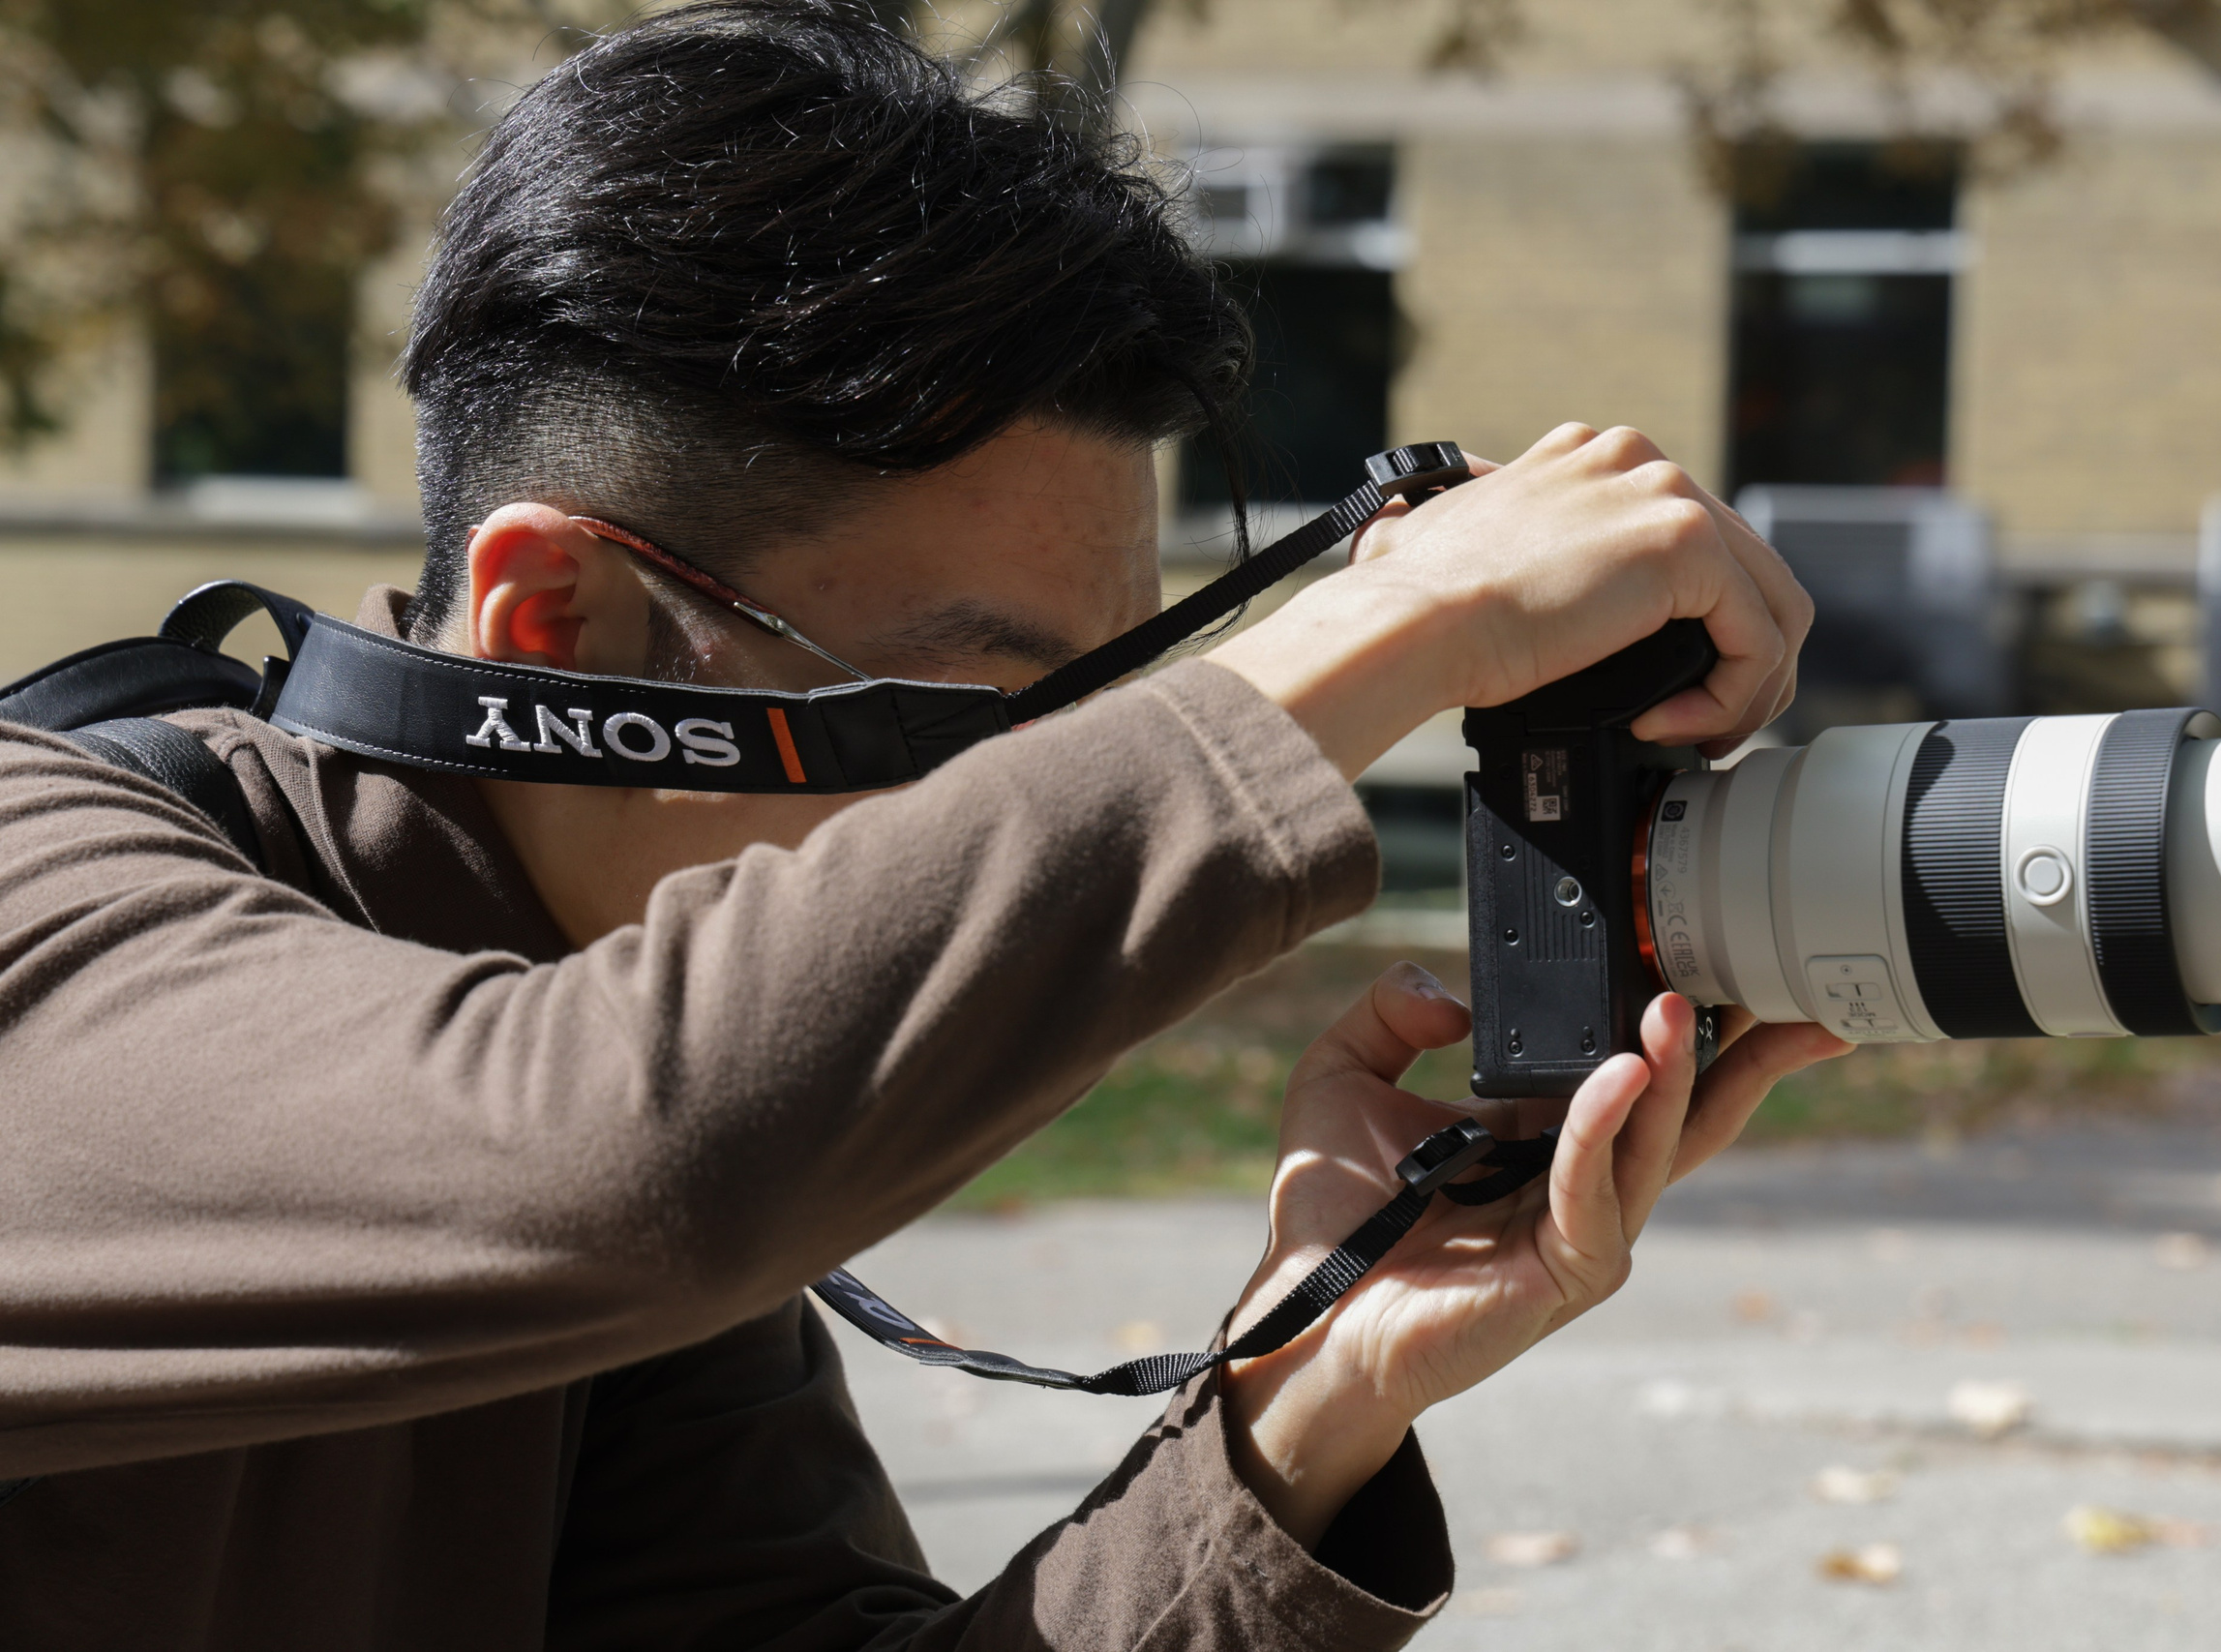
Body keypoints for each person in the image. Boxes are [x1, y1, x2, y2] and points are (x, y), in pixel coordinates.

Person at [0, 3, 1841, 1645]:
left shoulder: (617, 1073)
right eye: (992, 721)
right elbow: (614, 1153)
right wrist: (1395, 632)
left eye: (1094, 722)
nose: (1032, 798)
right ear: (562, 627)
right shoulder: (47, 898)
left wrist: (1305, 1404)